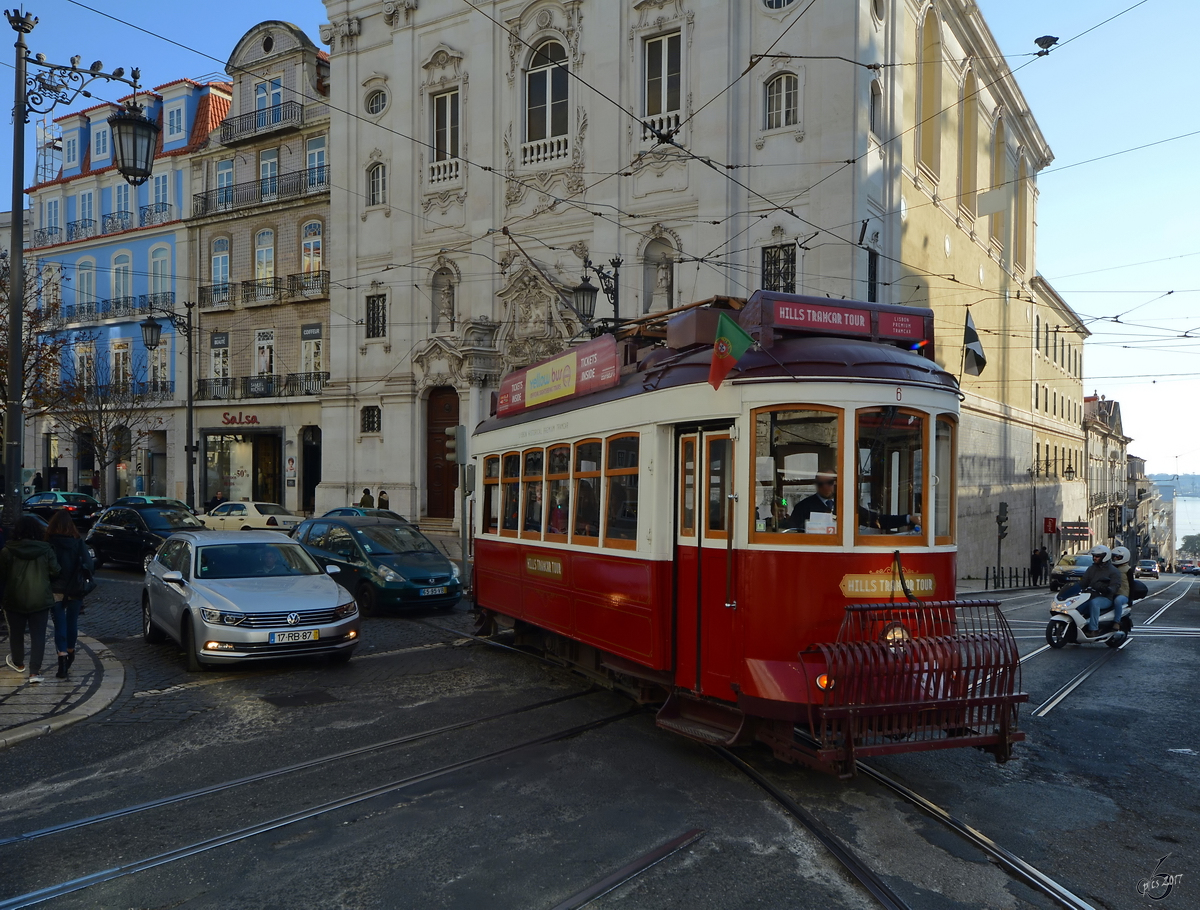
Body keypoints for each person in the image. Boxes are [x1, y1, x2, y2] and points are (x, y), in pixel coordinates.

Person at [1, 515, 61, 684]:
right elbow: (55, 571)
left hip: (14, 598)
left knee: (16, 634)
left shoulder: (7, 551)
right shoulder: (46, 550)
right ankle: (35, 672)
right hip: (40, 598)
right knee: (38, 635)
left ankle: (18, 663)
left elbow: (2, 575)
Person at [789, 471, 919, 533]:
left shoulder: (847, 506)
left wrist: (909, 519)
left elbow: (876, 520)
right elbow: (793, 532)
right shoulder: (803, 507)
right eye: (821, 483)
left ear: (836, 483)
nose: (825, 487)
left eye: (829, 483)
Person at [46, 511, 93, 679]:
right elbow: (89, 565)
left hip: (55, 589)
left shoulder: (49, 542)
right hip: (75, 588)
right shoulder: (77, 543)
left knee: (59, 625)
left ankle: (62, 661)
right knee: (72, 622)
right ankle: (71, 652)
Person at [1079, 544, 1122, 636]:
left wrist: (1108, 589)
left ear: (1105, 557)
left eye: (1097, 556)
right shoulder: (1091, 569)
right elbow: (1084, 581)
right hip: (1090, 595)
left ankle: (1094, 629)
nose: (1095, 558)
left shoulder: (1113, 571)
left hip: (1105, 597)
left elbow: (1116, 585)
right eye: (1094, 556)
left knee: (1095, 603)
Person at [1109, 546, 1133, 641]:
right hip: (1112, 593)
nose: (1115, 559)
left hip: (1123, 594)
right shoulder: (1111, 568)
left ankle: (1117, 622)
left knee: (1118, 601)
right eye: (1114, 557)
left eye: (1118, 557)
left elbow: (1132, 584)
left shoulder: (1128, 569)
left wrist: (1131, 598)